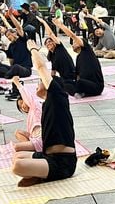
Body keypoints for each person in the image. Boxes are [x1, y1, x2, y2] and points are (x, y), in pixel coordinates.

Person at [11, 45, 78, 186]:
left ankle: (40, 175)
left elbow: (41, 67)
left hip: (63, 162)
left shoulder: (58, 96)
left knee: (17, 166)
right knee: (17, 156)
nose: (38, 84)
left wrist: (33, 49)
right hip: (48, 155)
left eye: (40, 81)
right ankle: (39, 174)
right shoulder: (47, 103)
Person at [51, 16, 105, 97]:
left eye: (75, 42)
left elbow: (73, 35)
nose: (73, 44)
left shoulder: (87, 50)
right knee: (65, 82)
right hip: (84, 85)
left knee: (80, 83)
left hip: (96, 86)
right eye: (73, 43)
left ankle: (79, 92)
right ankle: (79, 93)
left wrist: (60, 26)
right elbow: (77, 76)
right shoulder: (78, 58)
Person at [10, 76, 43, 153]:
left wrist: (17, 83)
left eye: (22, 103)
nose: (22, 107)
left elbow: (26, 95)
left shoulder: (35, 106)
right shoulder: (32, 112)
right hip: (34, 138)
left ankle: (31, 148)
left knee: (16, 147)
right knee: (17, 132)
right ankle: (29, 146)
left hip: (41, 140)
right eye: (20, 107)